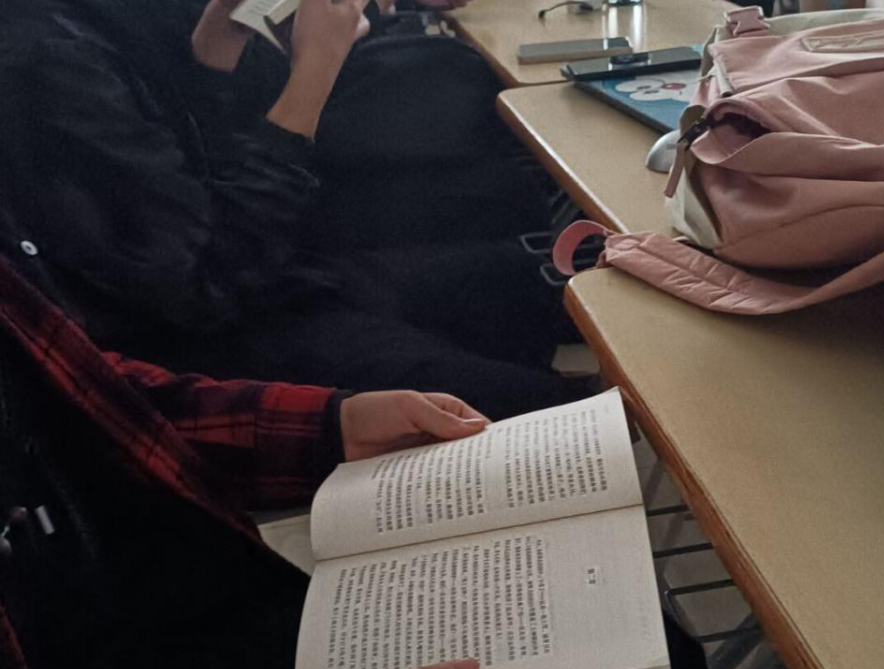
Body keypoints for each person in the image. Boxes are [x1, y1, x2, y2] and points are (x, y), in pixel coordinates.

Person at [0, 254, 718, 669]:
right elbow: (194, 272)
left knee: (643, 655)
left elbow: (94, 393)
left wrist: (329, 425)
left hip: (193, 613)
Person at [0, 0, 586, 421]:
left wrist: (215, 52)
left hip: (263, 275)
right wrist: (315, 69)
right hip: (197, 340)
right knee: (560, 411)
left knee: (552, 279)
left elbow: (189, 169)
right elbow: (206, 279)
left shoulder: (93, 22)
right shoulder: (41, 62)